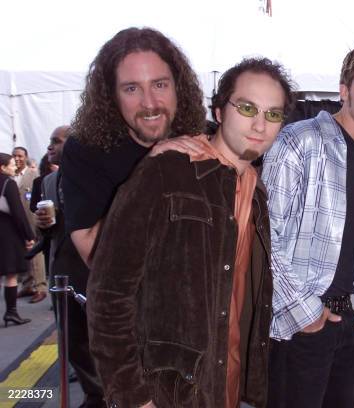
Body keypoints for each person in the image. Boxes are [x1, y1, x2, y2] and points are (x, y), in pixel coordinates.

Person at [87, 57, 294, 408]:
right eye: (247, 107)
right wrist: (133, 398)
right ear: (218, 111)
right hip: (168, 392)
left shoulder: (256, 192)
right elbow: (108, 295)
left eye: (273, 114)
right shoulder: (167, 172)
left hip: (224, 385)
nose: (260, 124)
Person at [262, 41, 354, 408]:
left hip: (343, 319)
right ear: (344, 91)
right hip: (300, 320)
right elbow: (264, 237)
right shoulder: (300, 140)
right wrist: (307, 312)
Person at [61, 26, 207, 266]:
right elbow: (93, 255)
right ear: (111, 96)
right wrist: (150, 170)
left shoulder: (204, 138)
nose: (149, 103)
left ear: (178, 87)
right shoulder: (85, 151)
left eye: (159, 85)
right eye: (131, 88)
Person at [34, 126, 105, 407]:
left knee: (102, 336)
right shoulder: (48, 181)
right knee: (72, 338)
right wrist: (43, 226)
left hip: (92, 267)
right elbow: (47, 230)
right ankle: (94, 392)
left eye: (57, 141)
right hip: (60, 270)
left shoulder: (98, 178)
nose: (50, 147)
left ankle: (109, 392)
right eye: (50, 141)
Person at [0, 153, 35, 326]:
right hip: (7, 235)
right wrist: (29, 235)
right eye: (12, 164)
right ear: (3, 167)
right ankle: (11, 313)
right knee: (10, 275)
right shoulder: (8, 183)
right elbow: (18, 213)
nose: (14, 167)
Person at [12, 146, 47, 302]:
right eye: (15, 156)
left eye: (20, 156)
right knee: (21, 251)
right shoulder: (11, 175)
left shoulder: (33, 174)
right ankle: (27, 285)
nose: (17, 158)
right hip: (15, 221)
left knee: (36, 252)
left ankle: (40, 287)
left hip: (31, 219)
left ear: (25, 157)